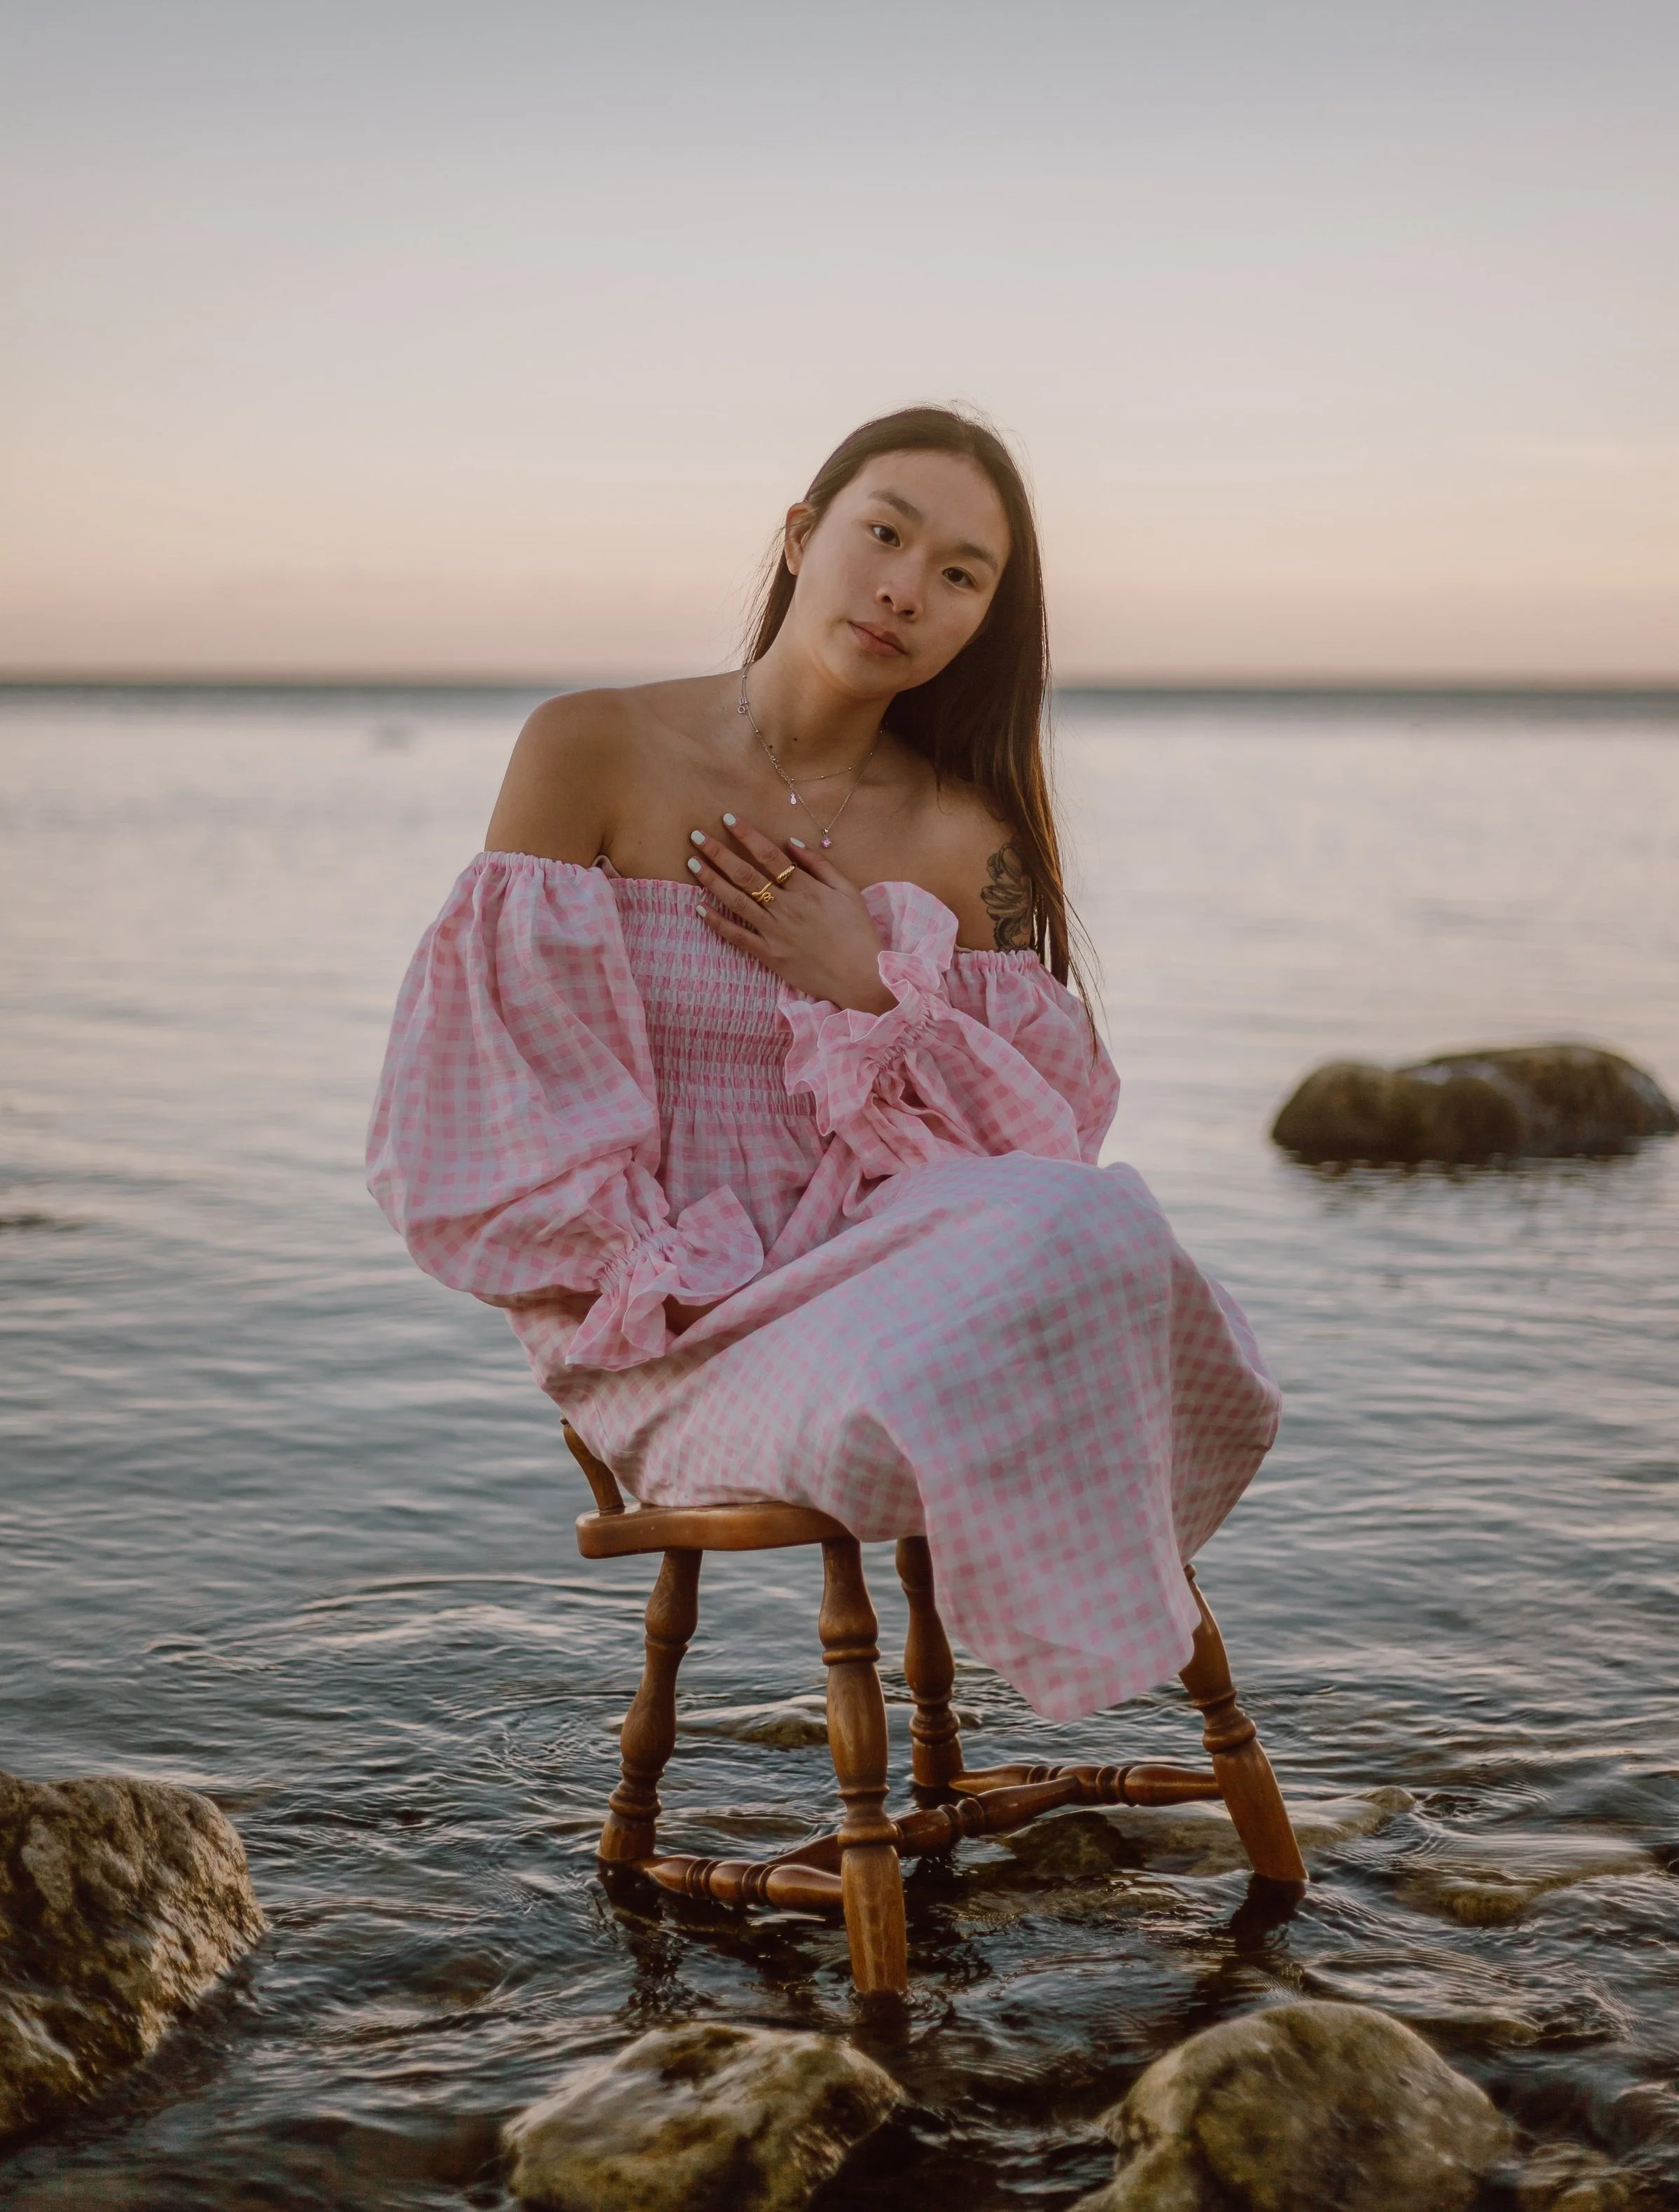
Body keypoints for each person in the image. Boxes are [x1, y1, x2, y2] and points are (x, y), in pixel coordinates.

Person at [367, 407, 1279, 1720]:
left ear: (982, 622)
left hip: (894, 1278)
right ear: (802, 538)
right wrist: (663, 1280)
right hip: (679, 1335)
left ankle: (1076, 1650)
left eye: (960, 574)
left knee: (1102, 1219)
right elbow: (492, 1103)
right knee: (1061, 1259)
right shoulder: (593, 750)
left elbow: (1046, 1137)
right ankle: (1087, 1643)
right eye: (885, 533)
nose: (907, 588)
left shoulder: (971, 835)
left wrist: (869, 979)